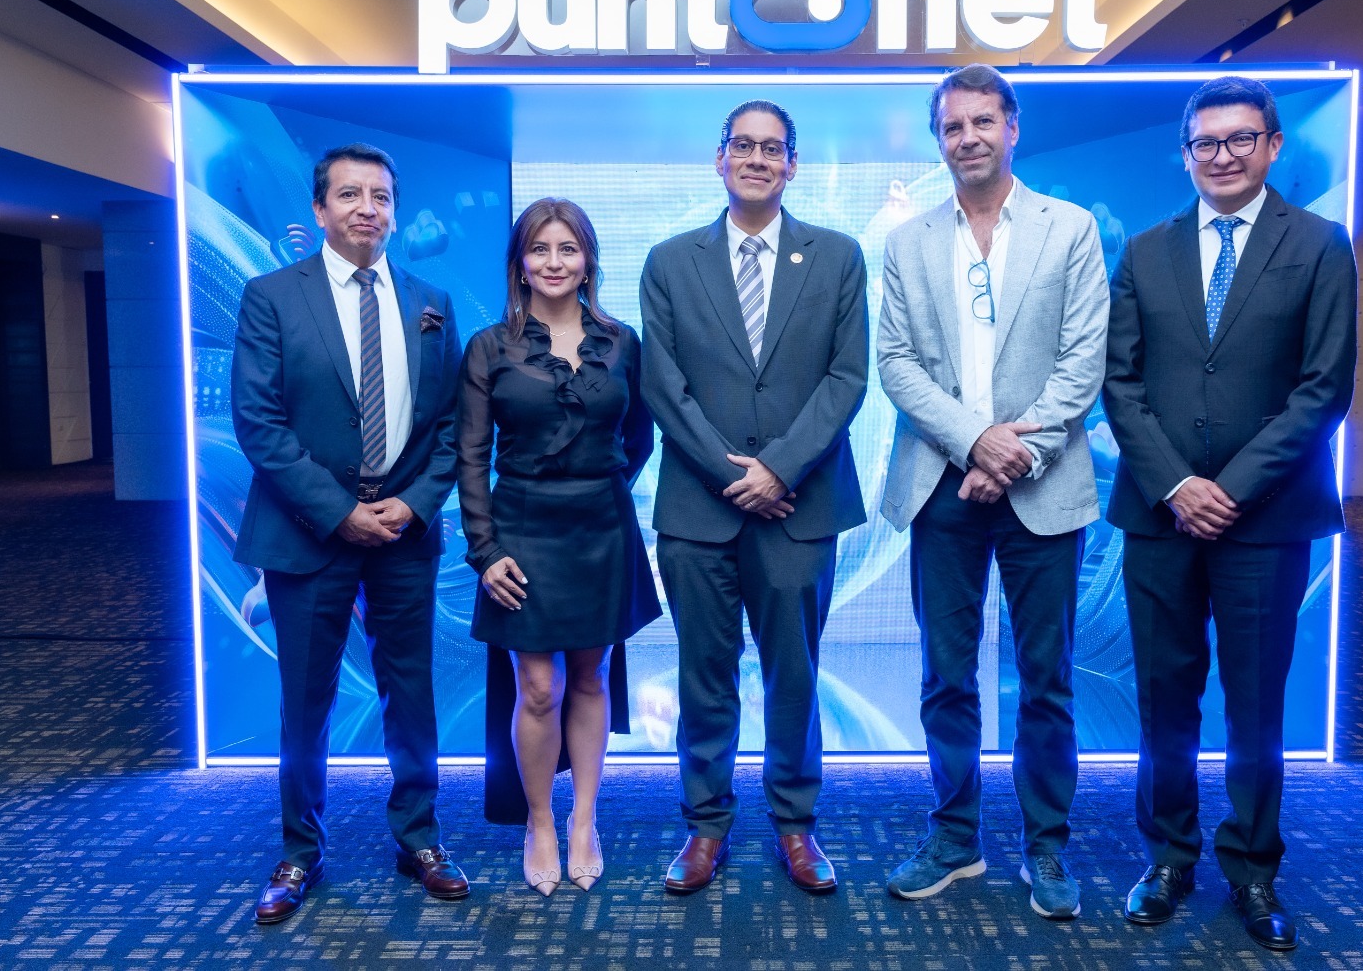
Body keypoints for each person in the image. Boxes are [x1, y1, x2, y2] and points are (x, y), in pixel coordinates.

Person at [1103, 76, 1357, 951]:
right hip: (1159, 517)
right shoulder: (1146, 251)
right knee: (1163, 698)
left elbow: (1324, 388)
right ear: (1185, 154)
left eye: (1241, 139)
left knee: (1255, 706)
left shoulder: (1319, 244)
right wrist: (1178, 485)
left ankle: (1253, 869)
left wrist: (1231, 488)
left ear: (1272, 145)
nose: (1222, 156)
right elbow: (1120, 384)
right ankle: (1168, 857)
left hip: (1267, 521)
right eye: (1205, 143)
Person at [875, 64, 1109, 918]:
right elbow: (895, 362)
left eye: (982, 121)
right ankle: (954, 838)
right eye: (952, 126)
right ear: (939, 139)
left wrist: (1013, 453)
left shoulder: (1069, 229)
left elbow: (1083, 360)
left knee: (1046, 679)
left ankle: (1046, 847)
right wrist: (974, 441)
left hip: (1043, 486)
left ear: (1013, 127)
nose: (967, 137)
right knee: (946, 677)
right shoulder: (908, 241)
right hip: (941, 483)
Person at [231, 142, 468, 924]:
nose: (368, 208)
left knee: (413, 694)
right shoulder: (272, 296)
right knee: (306, 700)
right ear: (320, 208)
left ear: (394, 212)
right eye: (350, 194)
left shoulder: (431, 301)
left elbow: (451, 426)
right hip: (307, 535)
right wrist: (339, 512)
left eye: (381, 196)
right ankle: (299, 850)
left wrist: (416, 503)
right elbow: (259, 424)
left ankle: (419, 838)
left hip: (404, 533)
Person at [639, 99, 869, 895]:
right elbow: (664, 387)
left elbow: (847, 379)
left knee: (793, 677)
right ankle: (705, 827)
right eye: (744, 145)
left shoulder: (837, 256)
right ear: (720, 158)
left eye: (774, 149)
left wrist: (782, 471)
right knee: (704, 676)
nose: (758, 159)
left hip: (800, 508)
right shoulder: (671, 261)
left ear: (793, 165)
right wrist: (739, 477)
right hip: (697, 512)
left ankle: (796, 825)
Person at [455, 198, 659, 896]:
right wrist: (485, 551)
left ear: (588, 261)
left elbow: (639, 440)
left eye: (567, 248)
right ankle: (540, 819)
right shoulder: (489, 346)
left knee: (592, 678)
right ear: (519, 264)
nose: (553, 262)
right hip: (521, 532)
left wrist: (602, 489)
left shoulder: (622, 342)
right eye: (539, 249)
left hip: (602, 529)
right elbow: (470, 456)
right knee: (538, 687)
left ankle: (584, 819)